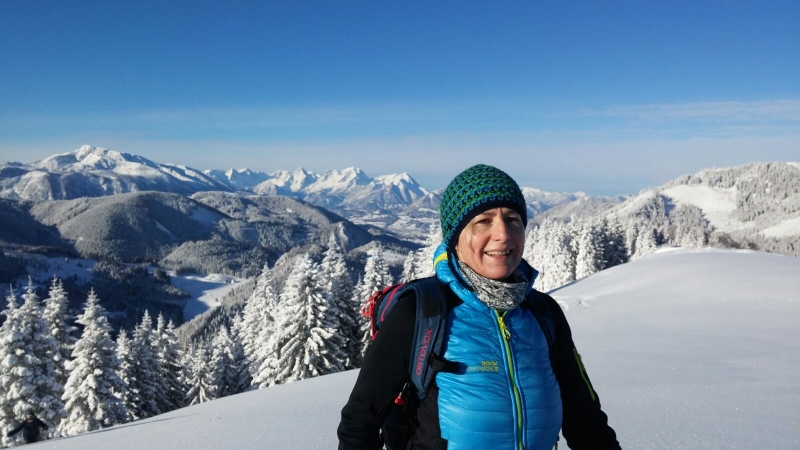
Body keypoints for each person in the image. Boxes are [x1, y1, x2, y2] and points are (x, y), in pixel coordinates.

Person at [338, 164, 620, 450]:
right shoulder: (423, 312)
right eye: (483, 221)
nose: (503, 234)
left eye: (512, 219)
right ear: (455, 239)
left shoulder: (543, 313)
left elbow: (587, 422)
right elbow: (359, 424)